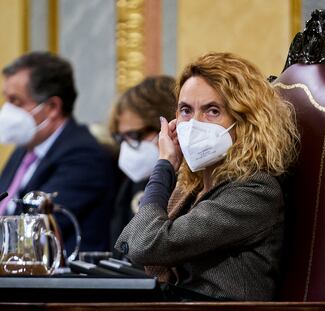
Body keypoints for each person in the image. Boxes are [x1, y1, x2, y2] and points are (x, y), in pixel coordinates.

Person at [115, 52, 299, 300]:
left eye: (212, 111)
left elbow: (149, 245)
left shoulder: (255, 190)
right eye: (186, 110)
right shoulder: (194, 182)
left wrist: (165, 164)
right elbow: (140, 244)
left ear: (245, 121)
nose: (194, 123)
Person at [0, 51, 116, 256]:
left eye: (16, 101)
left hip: (57, 282)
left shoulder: (84, 156)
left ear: (52, 107)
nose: (7, 110)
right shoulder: (24, 149)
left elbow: (34, 231)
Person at [108, 75, 176, 256]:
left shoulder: (188, 182)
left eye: (135, 136)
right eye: (121, 138)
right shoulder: (131, 184)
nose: (127, 147)